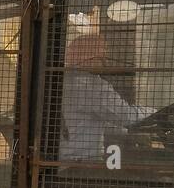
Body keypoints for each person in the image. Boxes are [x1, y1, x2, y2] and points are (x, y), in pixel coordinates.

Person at [60, 32, 152, 161]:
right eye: (101, 52)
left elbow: (88, 121)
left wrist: (127, 133)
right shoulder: (91, 85)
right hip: (81, 164)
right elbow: (127, 116)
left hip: (60, 160)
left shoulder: (61, 80)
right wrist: (156, 113)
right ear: (86, 55)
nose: (104, 58)